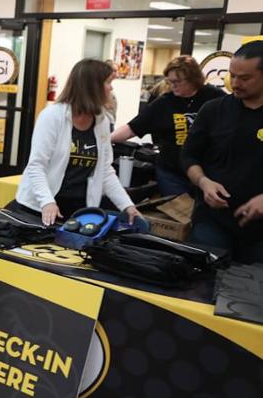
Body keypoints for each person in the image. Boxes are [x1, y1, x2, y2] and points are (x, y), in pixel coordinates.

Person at [12, 58, 140, 226]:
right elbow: (36, 166)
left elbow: (105, 171)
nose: (111, 88)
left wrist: (128, 206)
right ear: (92, 86)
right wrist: (47, 202)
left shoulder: (102, 121)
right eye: (108, 82)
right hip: (40, 208)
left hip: (78, 210)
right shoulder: (52, 116)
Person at [182, 41, 263, 263]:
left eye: (245, 78)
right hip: (212, 221)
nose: (235, 83)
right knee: (201, 286)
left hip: (258, 235)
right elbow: (189, 157)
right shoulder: (214, 110)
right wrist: (204, 182)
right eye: (232, 75)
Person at [112, 55, 225, 196]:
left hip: (207, 172)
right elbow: (131, 128)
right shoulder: (164, 103)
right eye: (170, 82)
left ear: (193, 78)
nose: (173, 86)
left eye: (177, 82)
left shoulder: (215, 97)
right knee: (177, 211)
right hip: (172, 173)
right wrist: (103, 139)